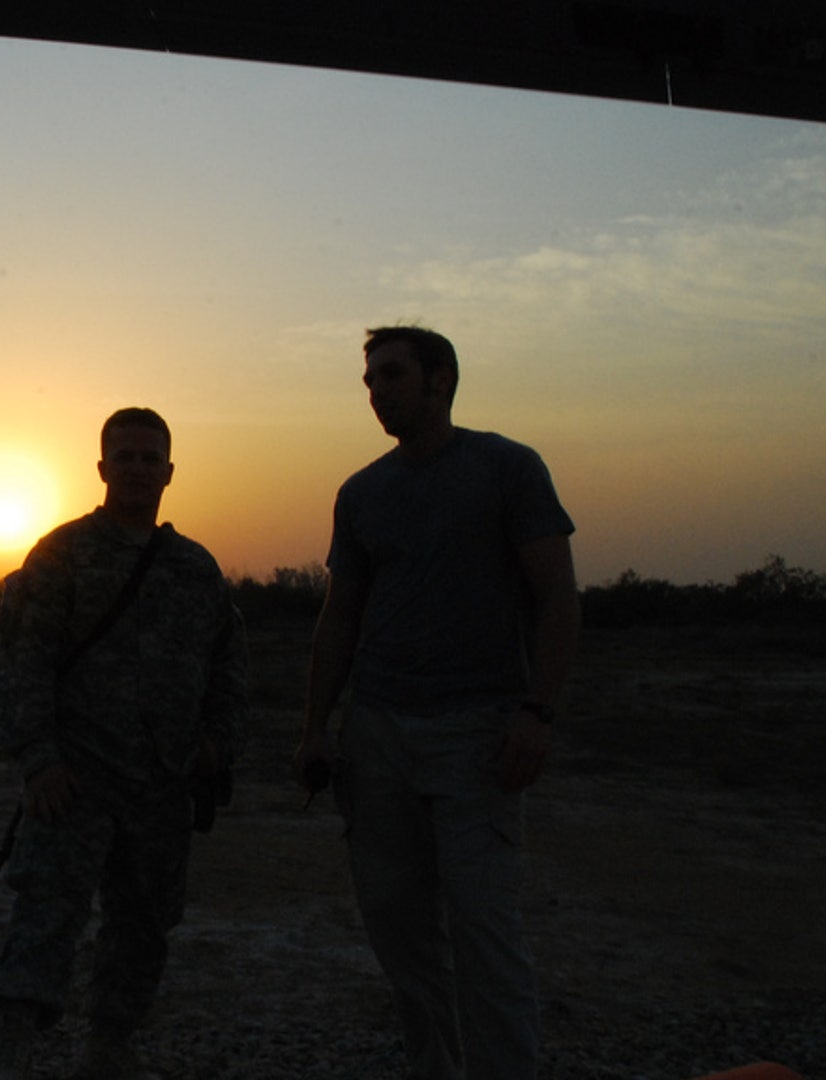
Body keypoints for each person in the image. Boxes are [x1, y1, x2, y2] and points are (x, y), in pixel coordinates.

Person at [296, 326, 580, 1080]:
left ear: (441, 379)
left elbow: (557, 597)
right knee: (399, 930)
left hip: (476, 734)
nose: (376, 392)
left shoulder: (507, 469)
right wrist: (316, 728)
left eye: (391, 376)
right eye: (369, 381)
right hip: (378, 735)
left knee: (484, 926)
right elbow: (341, 615)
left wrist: (536, 712)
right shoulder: (361, 493)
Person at [0, 407, 248, 1080]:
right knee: (46, 914)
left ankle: (109, 1049)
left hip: (161, 786)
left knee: (144, 927)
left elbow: (228, 665)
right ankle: (12, 1053)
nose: (135, 468)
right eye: (123, 456)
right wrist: (38, 761)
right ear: (101, 469)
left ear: (169, 471)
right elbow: (24, 664)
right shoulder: (62, 554)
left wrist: (217, 745)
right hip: (74, 780)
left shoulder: (195, 569)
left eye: (148, 457)